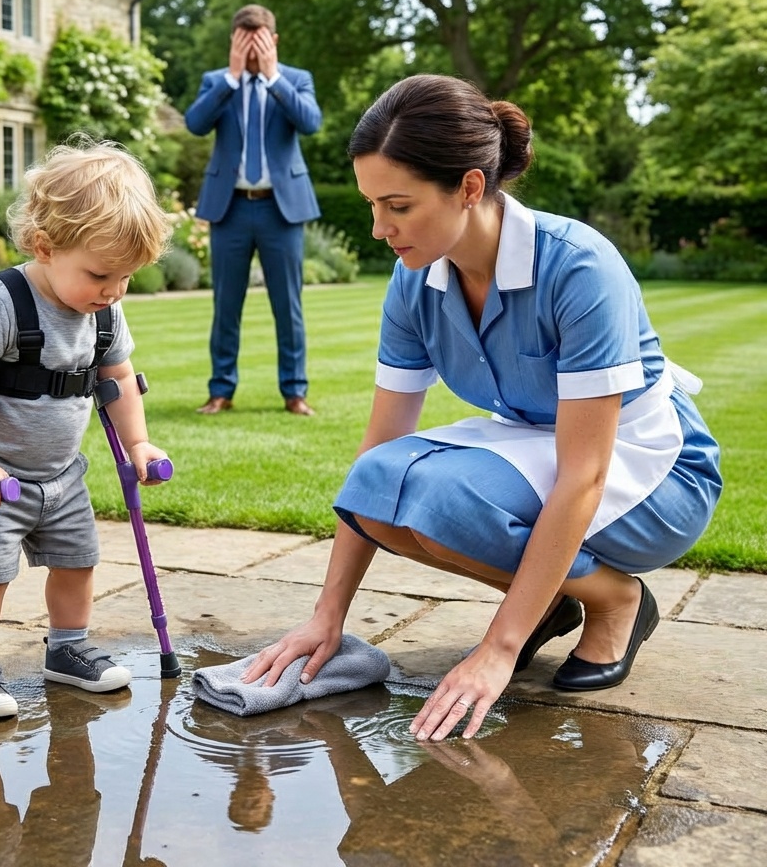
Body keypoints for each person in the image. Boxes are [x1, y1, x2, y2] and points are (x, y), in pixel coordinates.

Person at [242, 74, 722, 741]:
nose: (380, 229)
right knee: (379, 486)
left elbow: (583, 472)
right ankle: (551, 597)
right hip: (540, 447)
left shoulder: (580, 268)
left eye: (398, 206)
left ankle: (616, 600)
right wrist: (328, 618)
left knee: (442, 499)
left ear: (469, 187)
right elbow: (376, 455)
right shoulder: (414, 283)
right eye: (372, 206)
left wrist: (497, 649)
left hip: (657, 471)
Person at [0, 140, 172, 720]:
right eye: (101, 274)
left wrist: (138, 443)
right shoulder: (0, 303)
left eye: (127, 278)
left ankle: (67, 650)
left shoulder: (104, 311)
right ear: (46, 247)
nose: (114, 290)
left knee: (78, 563)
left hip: (64, 477)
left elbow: (118, 377)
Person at [185, 3, 323, 416]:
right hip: (230, 211)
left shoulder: (295, 80)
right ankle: (220, 391)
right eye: (243, 40)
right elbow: (195, 123)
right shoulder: (216, 82)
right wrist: (230, 77)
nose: (250, 48)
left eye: (258, 39)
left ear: (273, 40)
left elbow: (311, 122)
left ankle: (294, 392)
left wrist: (272, 75)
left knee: (289, 306)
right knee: (226, 305)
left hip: (281, 212)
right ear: (233, 40)